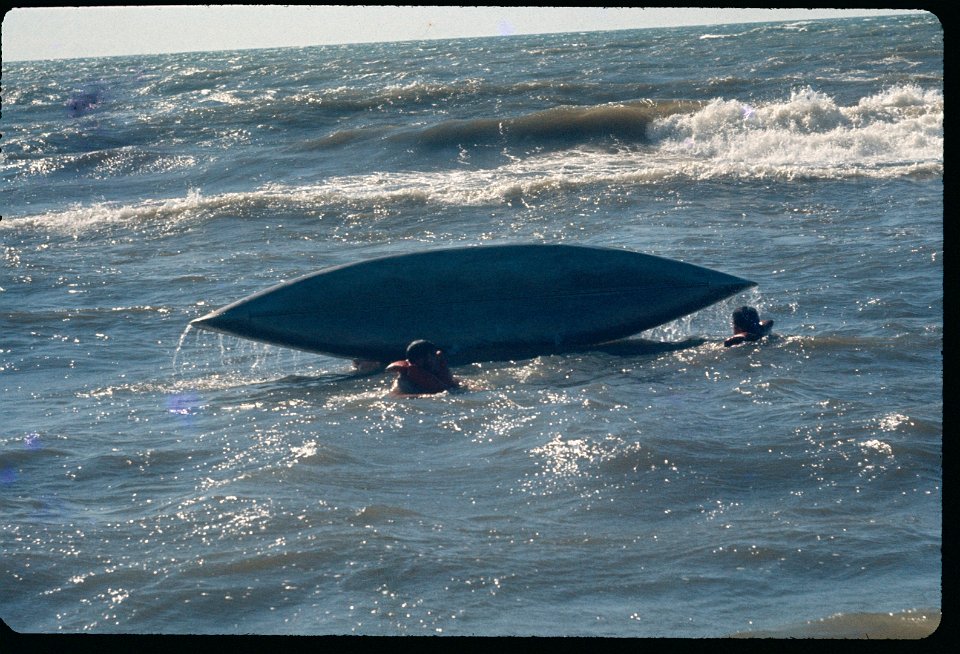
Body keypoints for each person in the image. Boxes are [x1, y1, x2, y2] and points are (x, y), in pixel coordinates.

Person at [386, 340, 460, 395]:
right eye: (424, 357)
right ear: (414, 360)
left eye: (432, 355)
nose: (431, 359)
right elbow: (398, 397)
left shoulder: (438, 367)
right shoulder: (406, 381)